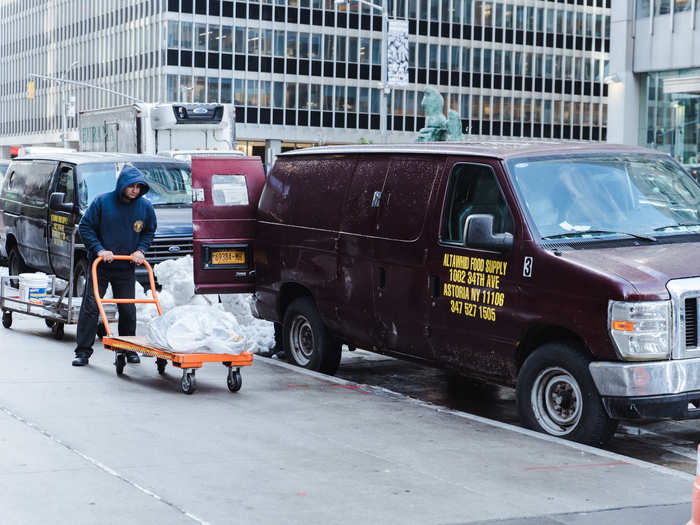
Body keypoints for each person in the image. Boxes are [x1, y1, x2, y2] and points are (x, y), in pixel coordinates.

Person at [72, 164, 157, 366]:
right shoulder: (102, 202)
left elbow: (149, 231)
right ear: (122, 184)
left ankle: (129, 348)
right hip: (100, 265)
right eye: (131, 186)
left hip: (125, 266)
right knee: (91, 306)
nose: (135, 190)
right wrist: (99, 249)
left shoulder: (145, 207)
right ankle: (83, 352)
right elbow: (85, 227)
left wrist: (141, 250)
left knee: (128, 309)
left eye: (138, 187)